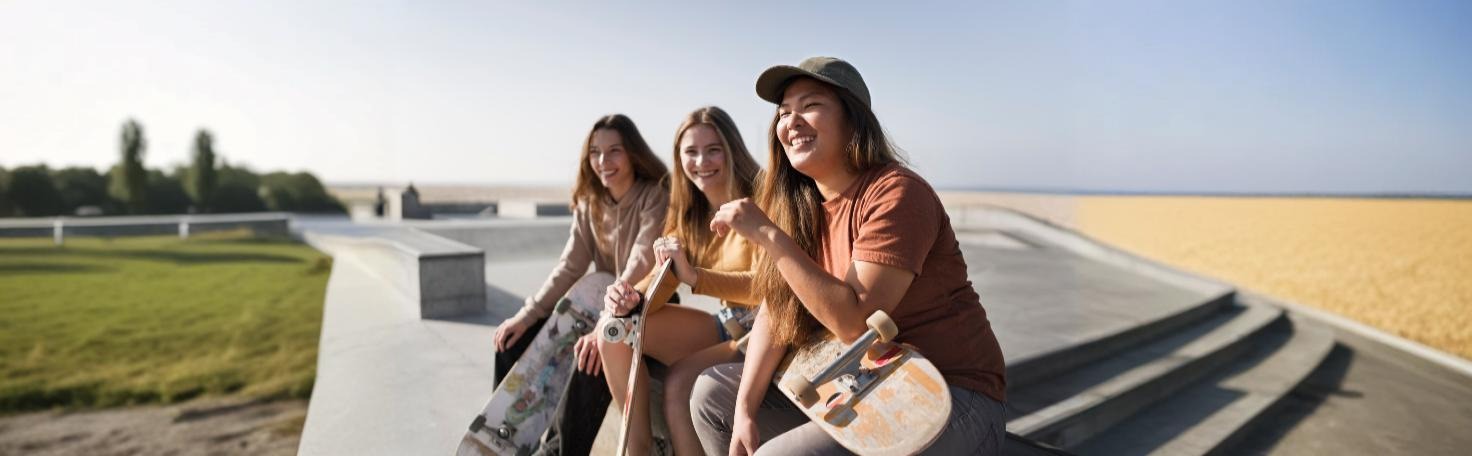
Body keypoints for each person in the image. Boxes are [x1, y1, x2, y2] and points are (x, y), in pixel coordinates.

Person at [691, 56, 1009, 454]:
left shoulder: (897, 193)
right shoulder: (801, 205)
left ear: (853, 119)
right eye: (784, 112)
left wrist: (770, 236)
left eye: (810, 105)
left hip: (950, 394)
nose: (791, 122)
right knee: (712, 395)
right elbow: (778, 310)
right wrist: (745, 410)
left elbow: (856, 323)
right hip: (863, 383)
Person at [491, 113, 669, 455]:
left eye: (614, 150)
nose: (604, 161)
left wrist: (606, 321)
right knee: (511, 342)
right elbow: (570, 265)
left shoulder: (654, 196)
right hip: (597, 303)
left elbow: (641, 260)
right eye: (595, 153)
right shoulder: (590, 204)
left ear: (633, 153)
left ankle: (558, 451)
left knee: (593, 356)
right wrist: (526, 316)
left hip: (642, 302)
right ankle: (505, 436)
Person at [599, 106, 762, 456]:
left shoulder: (761, 200)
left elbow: (768, 287)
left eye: (713, 149)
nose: (701, 161)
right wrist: (631, 297)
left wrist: (695, 276)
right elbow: (663, 283)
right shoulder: (688, 211)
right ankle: (635, 449)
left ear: (732, 149)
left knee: (679, 383)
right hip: (727, 326)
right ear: (679, 158)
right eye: (690, 151)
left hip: (766, 331)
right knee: (613, 330)